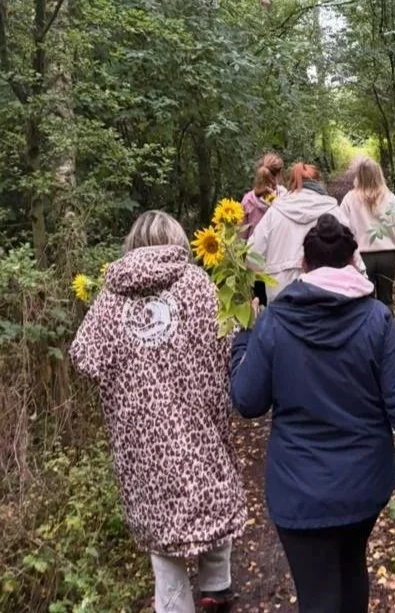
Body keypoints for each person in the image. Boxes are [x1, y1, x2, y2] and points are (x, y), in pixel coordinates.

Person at [231, 214, 395, 613]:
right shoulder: (376, 320)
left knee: (317, 595)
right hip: (363, 487)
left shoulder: (275, 322)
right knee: (352, 570)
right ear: (354, 261)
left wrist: (243, 338)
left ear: (303, 264)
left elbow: (248, 401)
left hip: (298, 490)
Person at [69, 210, 248, 613]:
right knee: (211, 495)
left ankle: (176, 604)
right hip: (199, 423)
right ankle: (216, 587)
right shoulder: (197, 284)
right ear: (177, 241)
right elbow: (230, 340)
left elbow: (83, 358)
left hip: (142, 443)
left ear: (132, 245)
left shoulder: (110, 298)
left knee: (160, 527)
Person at [248, 162, 361, 301]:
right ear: (319, 182)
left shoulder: (274, 213)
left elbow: (252, 258)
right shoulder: (335, 212)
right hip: (328, 299)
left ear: (291, 184)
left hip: (282, 299)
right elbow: (355, 259)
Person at [341, 157, 395, 308]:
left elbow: (343, 229)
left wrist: (348, 253)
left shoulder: (349, 199)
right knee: (387, 300)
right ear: (379, 174)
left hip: (362, 257)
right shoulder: (390, 198)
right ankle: (387, 323)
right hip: (387, 256)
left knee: (365, 304)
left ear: (359, 175)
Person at [241, 166, 277, 308]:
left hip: (254, 259)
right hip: (273, 257)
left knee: (257, 299)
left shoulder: (247, 201)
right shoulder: (278, 201)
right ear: (272, 181)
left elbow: (242, 235)